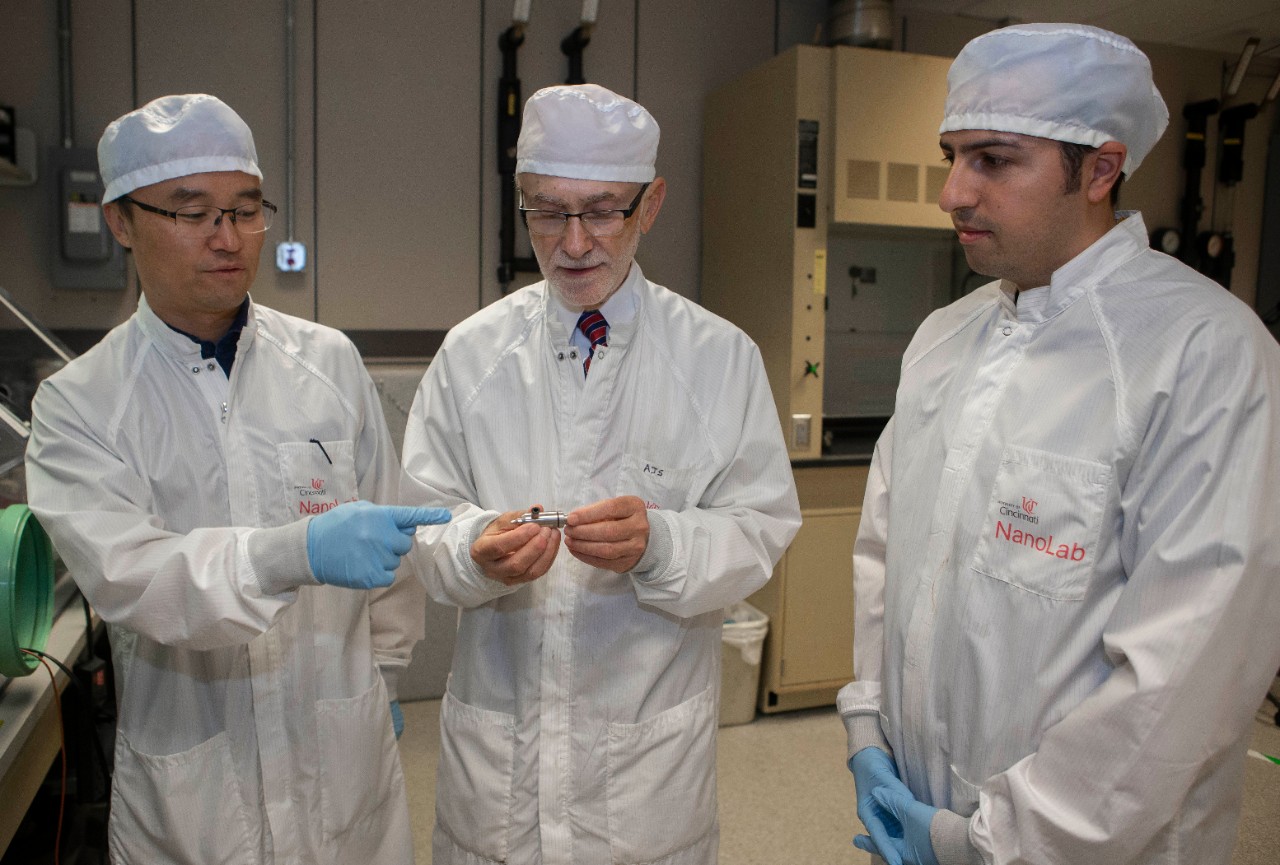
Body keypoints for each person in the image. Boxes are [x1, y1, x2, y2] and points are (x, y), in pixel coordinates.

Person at [838, 23, 1280, 865]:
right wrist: (868, 726)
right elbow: (885, 561)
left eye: (994, 160)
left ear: (1101, 168)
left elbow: (1184, 678)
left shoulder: (1206, 354)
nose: (952, 193)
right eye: (952, 155)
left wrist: (987, 841)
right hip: (919, 812)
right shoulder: (942, 339)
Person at [24, 93, 449, 864]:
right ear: (121, 220)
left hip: (343, 765)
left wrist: (382, 681)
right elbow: (137, 577)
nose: (229, 239)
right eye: (193, 213)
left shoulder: (327, 363)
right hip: (196, 790)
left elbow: (396, 545)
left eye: (246, 209)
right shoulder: (80, 405)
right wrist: (293, 551)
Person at [400, 83, 801, 865]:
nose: (574, 241)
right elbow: (422, 517)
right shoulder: (473, 355)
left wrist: (664, 542)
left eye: (603, 210)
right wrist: (474, 547)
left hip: (645, 774)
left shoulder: (718, 359)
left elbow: (760, 528)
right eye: (547, 211)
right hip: (499, 766)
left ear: (650, 205)